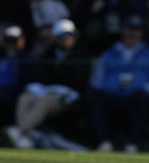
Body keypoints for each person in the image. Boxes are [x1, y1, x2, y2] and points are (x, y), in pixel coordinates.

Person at [88, 14, 149, 153]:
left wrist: (141, 90)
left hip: (138, 101)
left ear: (141, 32)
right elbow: (96, 82)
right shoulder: (108, 55)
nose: (132, 33)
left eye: (136, 30)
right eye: (129, 29)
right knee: (93, 96)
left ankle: (132, 144)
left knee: (140, 98)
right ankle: (103, 143)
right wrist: (111, 91)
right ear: (122, 30)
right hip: (113, 99)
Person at [6, 19, 91, 149]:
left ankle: (20, 133)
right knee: (25, 98)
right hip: (47, 92)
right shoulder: (48, 55)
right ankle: (24, 136)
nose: (66, 40)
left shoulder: (81, 56)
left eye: (69, 36)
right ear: (56, 38)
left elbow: (77, 81)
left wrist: (53, 86)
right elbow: (40, 77)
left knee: (44, 101)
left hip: (69, 97)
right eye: (63, 37)